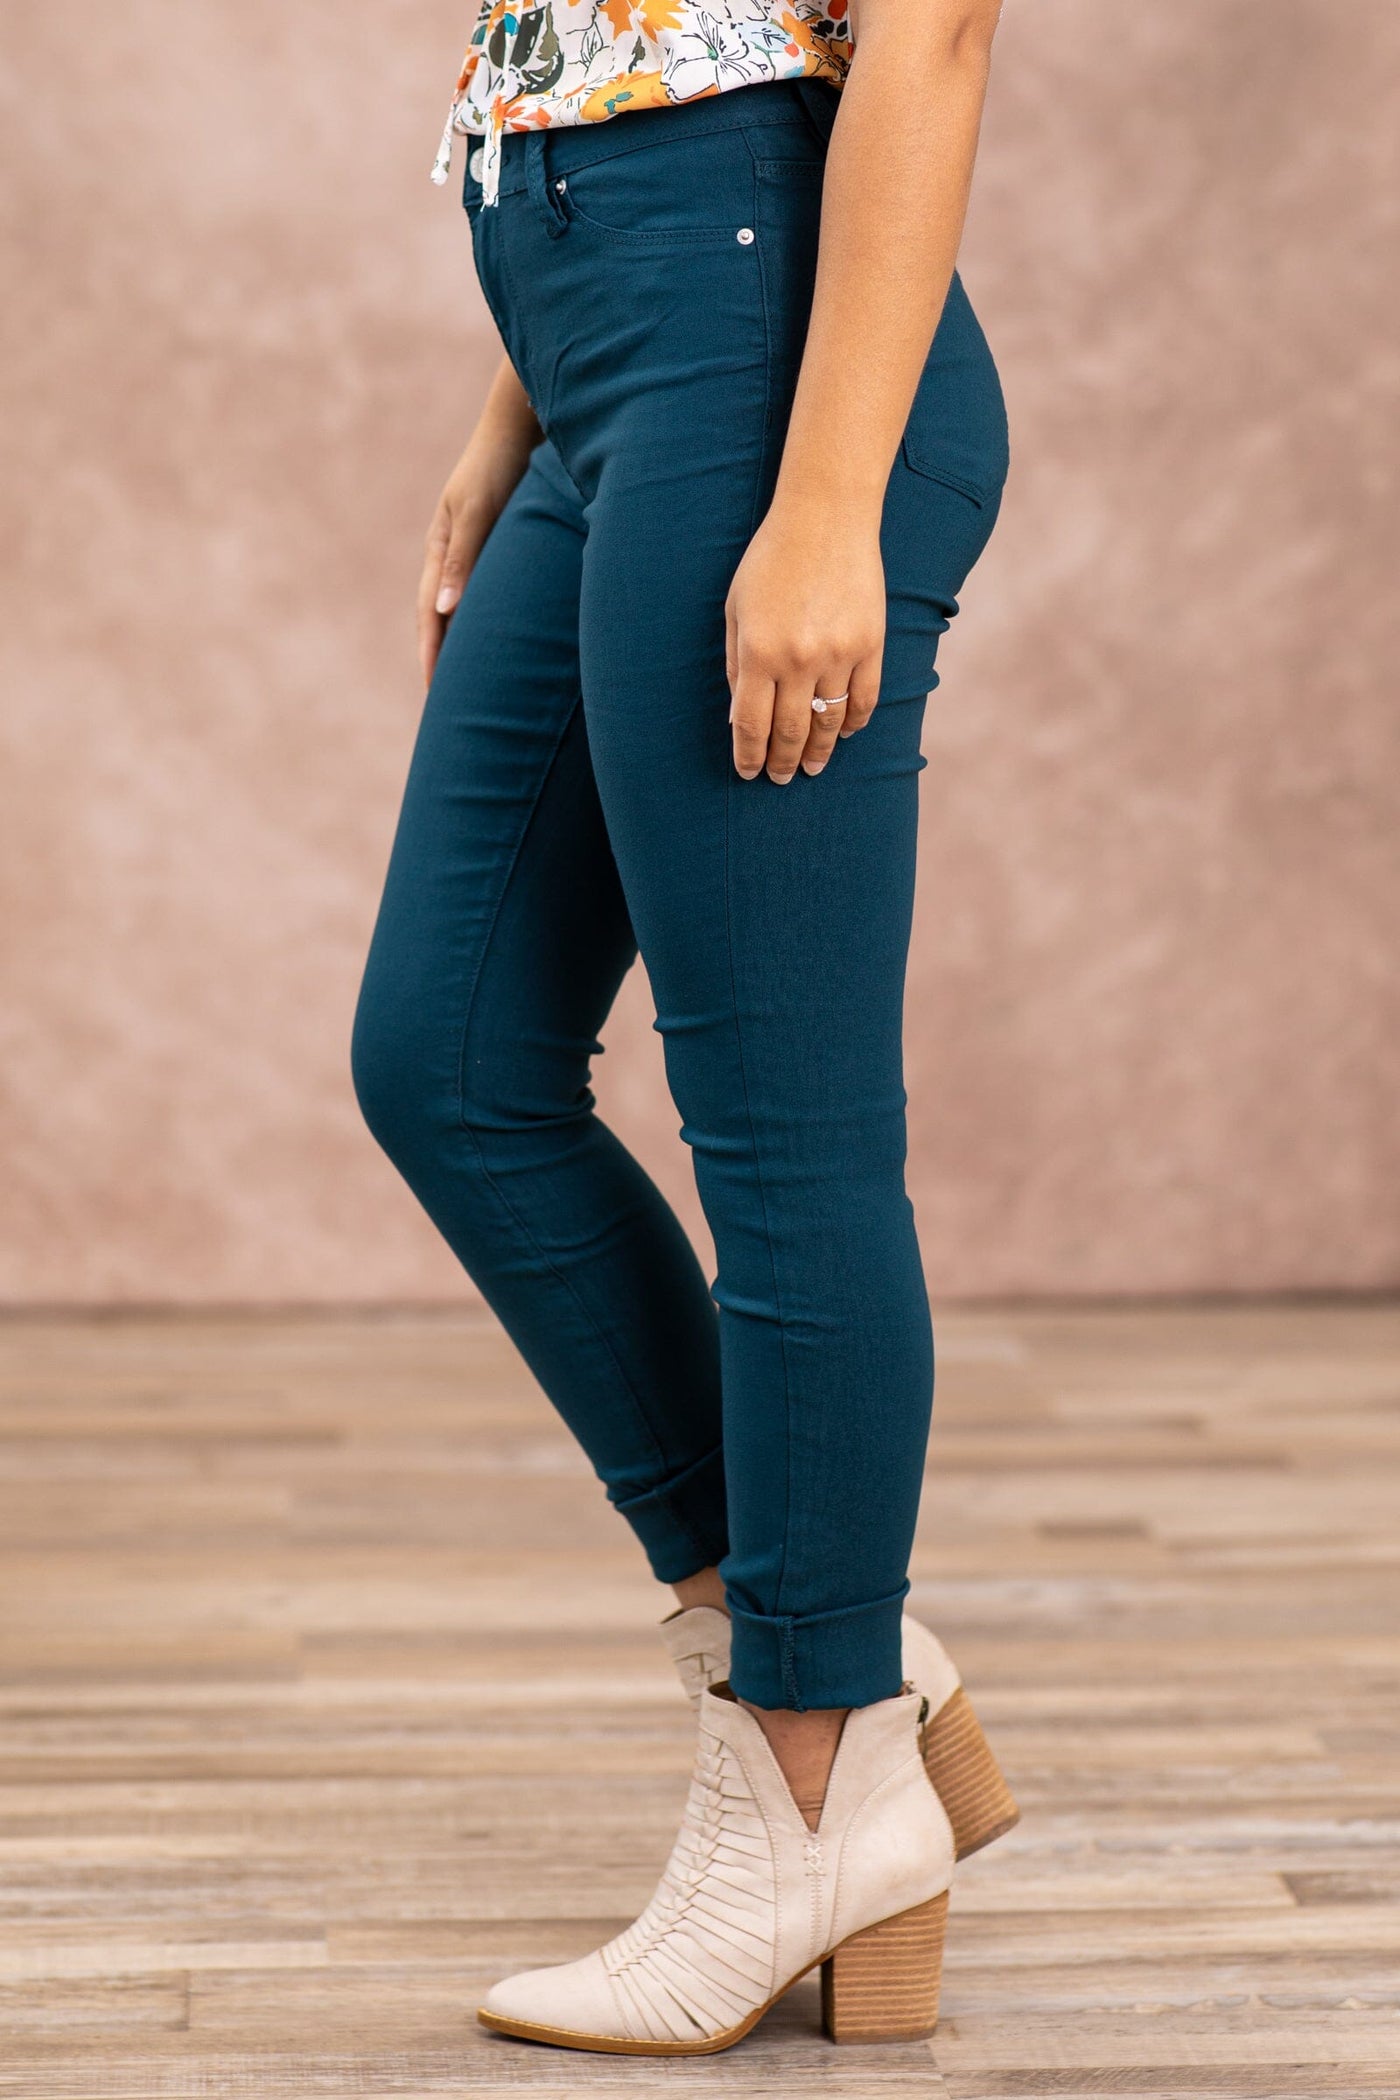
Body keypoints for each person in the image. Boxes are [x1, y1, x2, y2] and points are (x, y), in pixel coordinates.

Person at [353, 0, 1013, 2056]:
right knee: (448, 1061)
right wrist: (514, 408)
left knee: (783, 1132)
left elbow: (926, 32)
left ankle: (810, 1782)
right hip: (603, 357)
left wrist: (826, 506)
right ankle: (837, 1661)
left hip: (759, 354)